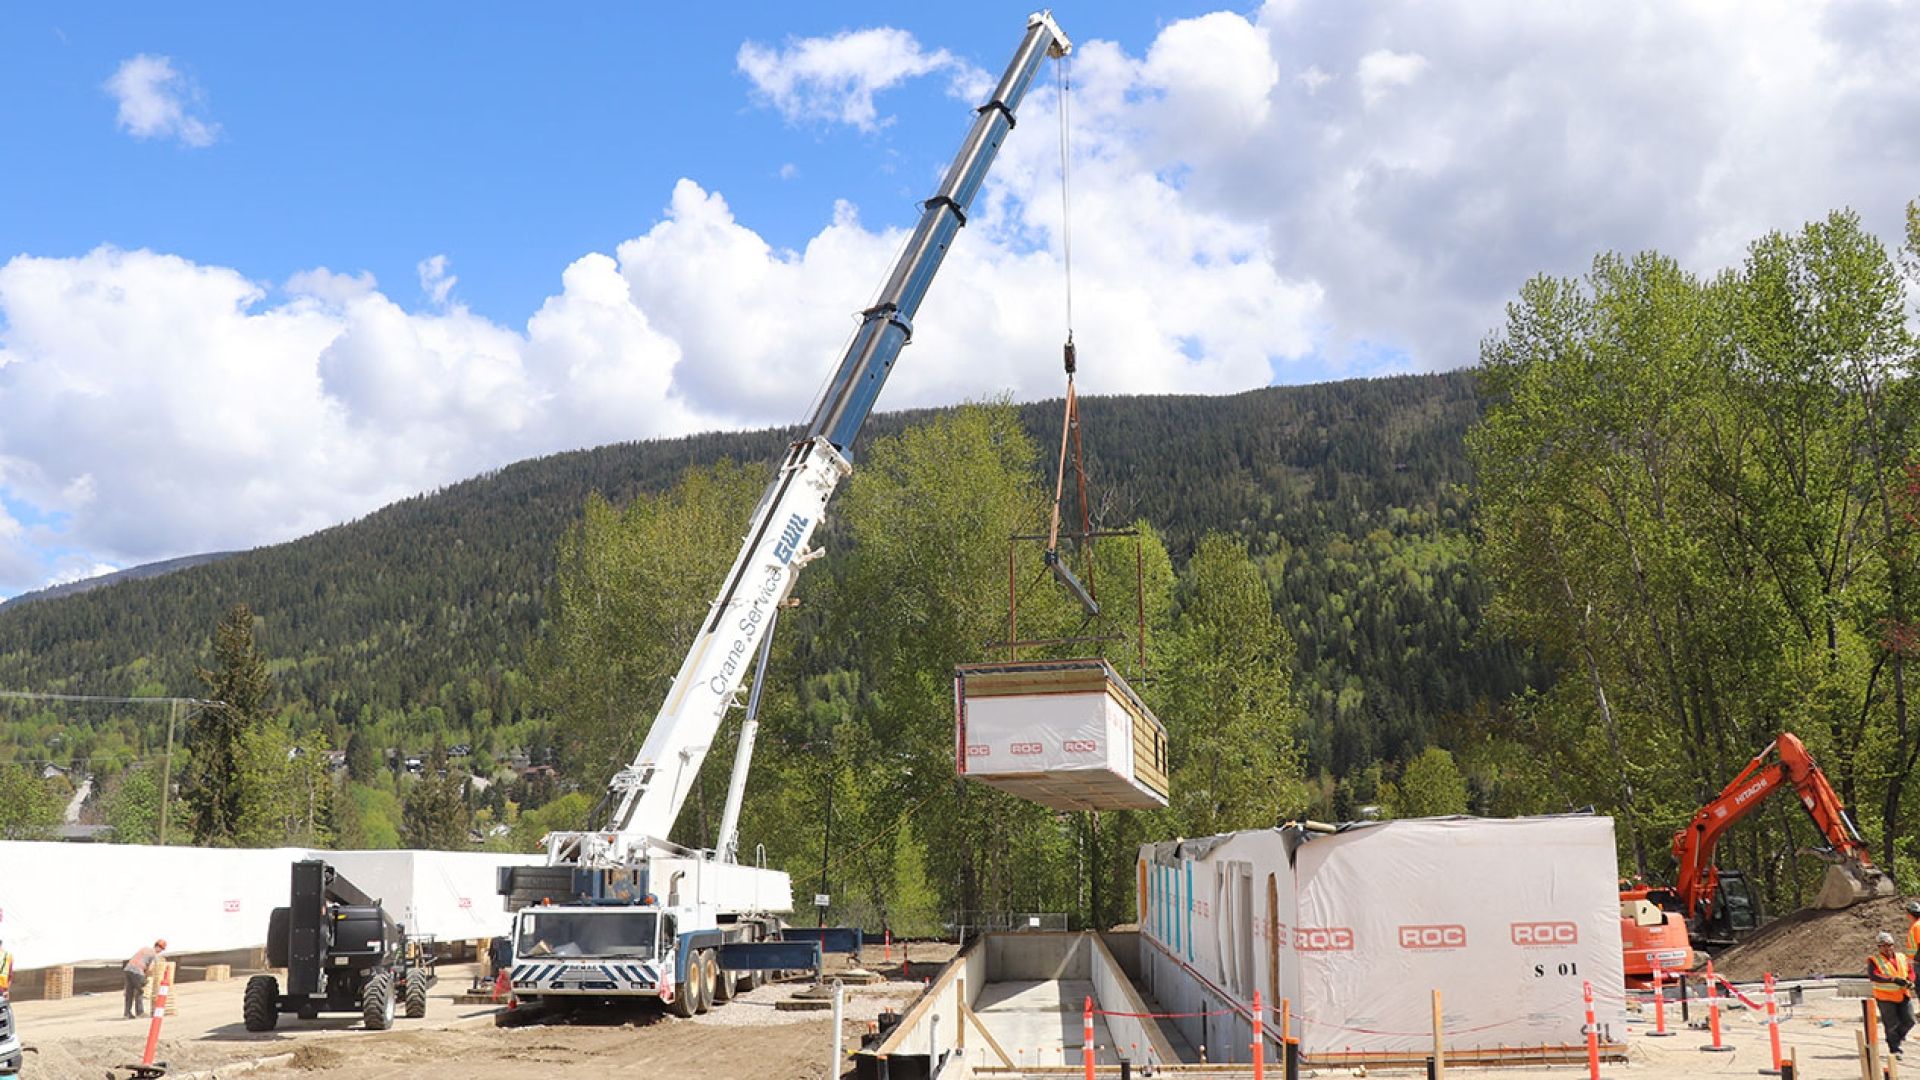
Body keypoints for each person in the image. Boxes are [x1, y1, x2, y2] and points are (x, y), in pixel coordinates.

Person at [1870, 930, 1916, 1056]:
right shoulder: (1874, 960)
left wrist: (1910, 981)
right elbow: (1874, 976)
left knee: (1910, 1020)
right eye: (1883, 946)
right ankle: (1895, 1049)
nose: (1887, 948)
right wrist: (1893, 980)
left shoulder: (1901, 957)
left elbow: (1910, 971)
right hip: (1885, 997)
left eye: (1889, 945)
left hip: (1903, 994)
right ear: (1879, 947)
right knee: (1891, 1024)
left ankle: (1897, 1038)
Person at [123, 938, 166, 1020]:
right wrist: (146, 977)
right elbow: (150, 969)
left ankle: (127, 1013)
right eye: (162, 949)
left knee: (129, 992)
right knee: (140, 991)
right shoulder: (154, 955)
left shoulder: (144, 948)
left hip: (128, 969)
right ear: (159, 948)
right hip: (137, 971)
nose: (161, 951)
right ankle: (140, 1012)